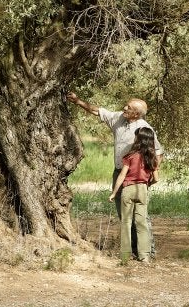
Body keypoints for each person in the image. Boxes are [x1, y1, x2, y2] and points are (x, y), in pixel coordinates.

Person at [67, 92, 163, 257]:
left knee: (141, 216)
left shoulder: (145, 128)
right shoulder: (118, 118)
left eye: (129, 108)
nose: (124, 108)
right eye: (126, 105)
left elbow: (158, 152)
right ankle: (133, 249)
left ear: (137, 114)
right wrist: (77, 101)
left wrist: (149, 173)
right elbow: (98, 111)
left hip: (137, 177)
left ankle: (149, 250)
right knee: (124, 213)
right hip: (119, 173)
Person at [109, 127, 159, 262]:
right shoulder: (152, 158)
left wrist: (114, 193)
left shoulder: (130, 156)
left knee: (126, 222)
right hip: (142, 190)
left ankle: (125, 255)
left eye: (136, 136)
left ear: (139, 139)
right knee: (141, 223)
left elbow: (121, 176)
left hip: (128, 189)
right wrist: (146, 184)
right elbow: (156, 179)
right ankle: (145, 256)